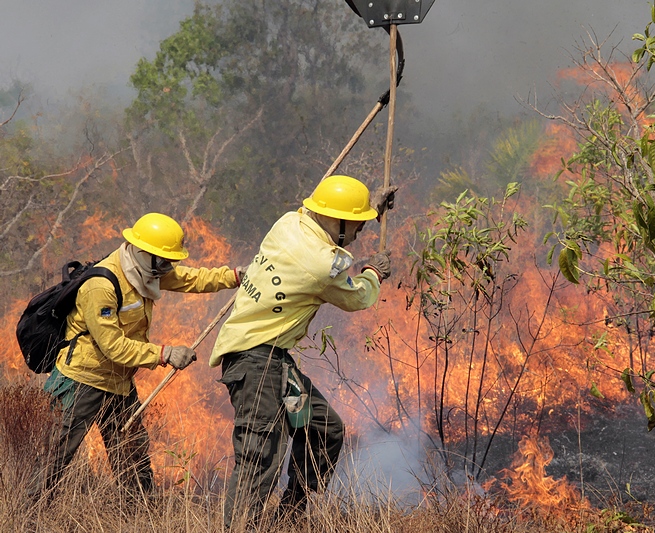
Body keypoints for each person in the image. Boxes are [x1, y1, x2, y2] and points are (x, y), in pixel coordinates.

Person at [210, 175, 395, 528]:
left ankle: (287, 521)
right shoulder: (321, 264)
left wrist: (371, 213)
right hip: (256, 363)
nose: (357, 233)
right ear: (337, 223)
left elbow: (332, 241)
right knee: (258, 456)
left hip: (275, 363)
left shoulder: (290, 222)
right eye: (355, 226)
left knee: (324, 431)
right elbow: (357, 296)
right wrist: (373, 272)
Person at [41, 212, 245, 498]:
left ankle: (140, 515)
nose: (167, 269)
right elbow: (113, 346)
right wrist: (166, 353)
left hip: (119, 384)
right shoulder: (101, 286)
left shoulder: (146, 271)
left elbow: (190, 278)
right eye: (163, 262)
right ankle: (30, 513)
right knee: (53, 459)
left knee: (133, 457)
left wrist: (235, 276)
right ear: (141, 251)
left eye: (171, 262)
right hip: (81, 383)